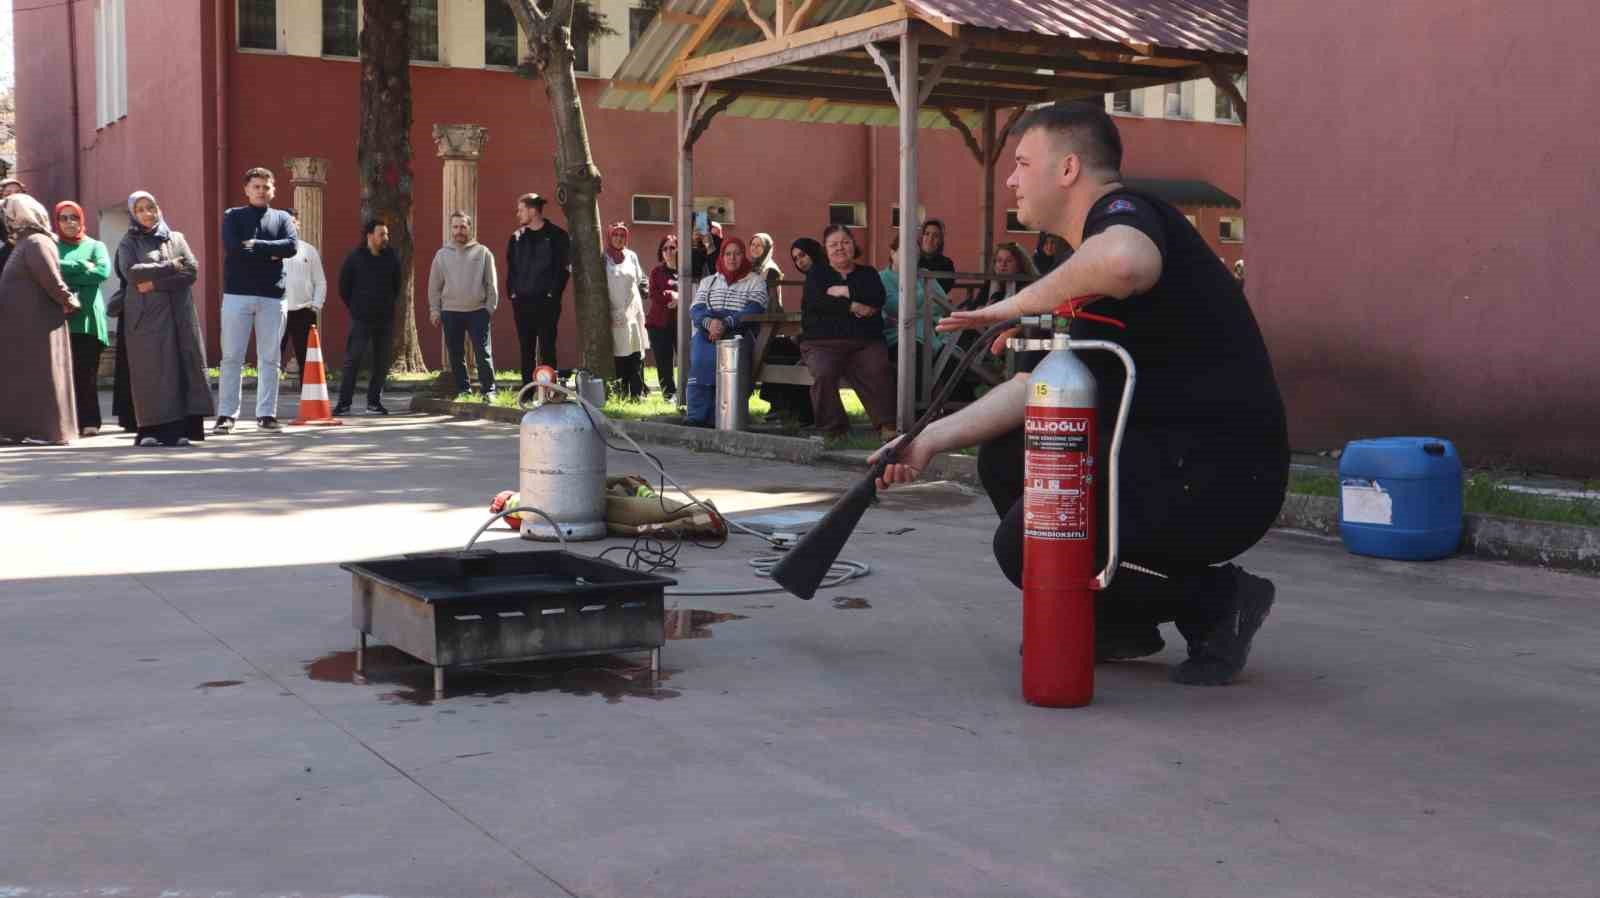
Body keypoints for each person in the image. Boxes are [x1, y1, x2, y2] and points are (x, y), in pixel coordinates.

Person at [875, 101, 1289, 686]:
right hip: (1168, 458)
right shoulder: (1084, 263)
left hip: (1223, 472)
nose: (1012, 179)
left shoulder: (1127, 214)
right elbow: (1033, 388)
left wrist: (1013, 304)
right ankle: (1117, 619)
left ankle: (1217, 600)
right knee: (1008, 454)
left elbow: (1124, 261)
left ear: (1068, 169)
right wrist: (925, 441)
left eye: (1021, 163)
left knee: (1027, 542)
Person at [110, 191, 214, 447]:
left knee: (181, 368)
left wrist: (155, 284)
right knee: (153, 372)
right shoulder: (129, 242)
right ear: (134, 214)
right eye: (141, 209)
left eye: (152, 207)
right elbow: (132, 273)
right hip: (146, 318)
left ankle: (181, 431)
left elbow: (191, 271)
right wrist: (171, 267)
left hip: (179, 313)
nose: (148, 213)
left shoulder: (176, 238)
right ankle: (151, 431)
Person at [797, 225, 897, 443]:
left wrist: (845, 292)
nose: (840, 248)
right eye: (833, 244)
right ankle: (834, 429)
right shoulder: (817, 274)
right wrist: (855, 307)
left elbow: (878, 297)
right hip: (822, 342)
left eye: (845, 242)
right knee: (824, 372)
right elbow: (818, 302)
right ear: (826, 249)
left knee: (878, 368)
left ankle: (887, 425)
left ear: (853, 245)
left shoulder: (868, 273)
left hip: (865, 341)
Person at [217, 166, 298, 434]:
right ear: (246, 189)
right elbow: (232, 247)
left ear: (273, 189)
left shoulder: (283, 218)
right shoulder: (233, 216)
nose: (261, 191)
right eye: (256, 186)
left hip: (273, 296)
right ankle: (227, 414)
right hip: (237, 294)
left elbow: (291, 247)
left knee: (270, 358)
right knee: (232, 357)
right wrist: (271, 252)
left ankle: (266, 414)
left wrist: (256, 245)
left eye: (266, 187)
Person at [0, 194, 81, 445]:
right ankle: (22, 429)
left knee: (42, 375)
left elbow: (51, 279)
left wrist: (69, 300)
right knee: (25, 377)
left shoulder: (36, 242)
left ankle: (46, 431)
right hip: (24, 326)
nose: (8, 220)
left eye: (11, 214)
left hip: (37, 326)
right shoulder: (27, 242)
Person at [685, 236, 767, 426]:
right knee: (701, 360)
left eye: (737, 254)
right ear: (721, 256)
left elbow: (754, 309)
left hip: (739, 332)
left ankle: (720, 417)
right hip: (708, 332)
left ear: (743, 255)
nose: (732, 258)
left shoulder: (756, 281)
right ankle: (697, 417)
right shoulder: (709, 281)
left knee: (728, 361)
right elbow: (695, 309)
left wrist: (726, 323)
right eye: (728, 254)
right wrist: (710, 324)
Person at [55, 201, 113, 437]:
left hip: (88, 318)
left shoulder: (95, 245)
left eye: (74, 217)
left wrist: (66, 272)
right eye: (64, 218)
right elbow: (49, 268)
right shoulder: (51, 245)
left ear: (82, 219)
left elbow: (102, 273)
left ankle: (90, 422)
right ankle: (64, 422)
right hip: (59, 319)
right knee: (59, 374)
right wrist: (81, 265)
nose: (70, 222)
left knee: (86, 373)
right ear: (57, 221)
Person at [428, 211, 500, 398]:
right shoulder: (442, 255)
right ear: (451, 229)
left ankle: (489, 390)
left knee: (483, 353)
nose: (459, 230)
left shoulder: (483, 252)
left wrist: (489, 308)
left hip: (478, 311)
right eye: (455, 227)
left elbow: (491, 284)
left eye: (462, 226)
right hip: (450, 312)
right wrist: (435, 311)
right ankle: (463, 390)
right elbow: (434, 287)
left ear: (470, 227)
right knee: (456, 355)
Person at [335, 220, 402, 416]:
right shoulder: (355, 258)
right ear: (370, 236)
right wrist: (356, 307)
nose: (385, 238)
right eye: (381, 234)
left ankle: (374, 402)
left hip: (385, 319)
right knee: (353, 360)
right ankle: (344, 403)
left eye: (386, 234)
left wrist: (387, 304)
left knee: (381, 363)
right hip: (361, 319)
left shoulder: (391, 257)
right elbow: (343, 287)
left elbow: (396, 285)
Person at [506, 193, 570, 384]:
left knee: (547, 348)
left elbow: (563, 269)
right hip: (522, 302)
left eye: (521, 210)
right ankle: (528, 391)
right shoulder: (516, 238)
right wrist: (513, 294)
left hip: (547, 303)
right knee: (526, 349)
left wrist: (553, 294)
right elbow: (512, 269)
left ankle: (550, 390)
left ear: (533, 211)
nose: (518, 214)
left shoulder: (558, 236)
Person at [880, 230, 948, 396]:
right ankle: (917, 415)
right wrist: (925, 293)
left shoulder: (923, 277)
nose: (912, 259)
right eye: (906, 253)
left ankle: (948, 414)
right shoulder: (881, 278)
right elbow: (896, 306)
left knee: (954, 360)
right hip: (896, 338)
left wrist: (916, 307)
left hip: (930, 335)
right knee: (915, 358)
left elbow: (943, 304)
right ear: (892, 252)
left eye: (916, 255)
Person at [279, 207, 327, 387]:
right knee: (272, 357)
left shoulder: (309, 250)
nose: (290, 226)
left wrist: (315, 306)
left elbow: (320, 281)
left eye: (293, 222)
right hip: (278, 311)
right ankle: (267, 404)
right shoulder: (272, 250)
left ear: (298, 224)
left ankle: (309, 398)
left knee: (306, 358)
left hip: (304, 312)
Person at [603, 222, 649, 401]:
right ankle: (621, 392)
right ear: (609, 236)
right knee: (619, 353)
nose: (619, 238)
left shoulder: (632, 256)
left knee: (635, 352)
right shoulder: (603, 258)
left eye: (622, 235)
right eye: (616, 235)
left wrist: (645, 287)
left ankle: (637, 393)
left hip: (633, 311)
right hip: (613, 312)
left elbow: (641, 277)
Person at [645, 234, 681, 402]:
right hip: (659, 324)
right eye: (665, 248)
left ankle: (686, 392)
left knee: (685, 358)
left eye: (672, 247)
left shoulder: (686, 271)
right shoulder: (657, 272)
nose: (668, 251)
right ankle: (669, 395)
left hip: (682, 324)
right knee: (664, 361)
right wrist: (671, 297)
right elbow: (654, 294)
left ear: (679, 249)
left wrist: (678, 297)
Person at [969, 241, 1040, 309]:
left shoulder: (1025, 285)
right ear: (994, 264)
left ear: (1019, 265)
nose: (1003, 265)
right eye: (999, 260)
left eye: (1009, 261)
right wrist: (981, 309)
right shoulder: (991, 282)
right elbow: (974, 307)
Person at [918, 219, 957, 294]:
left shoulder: (947, 264)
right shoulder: (911, 261)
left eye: (935, 236)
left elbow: (941, 292)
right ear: (921, 237)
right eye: (927, 233)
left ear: (940, 241)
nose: (930, 239)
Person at [0, 178, 29, 273]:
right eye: (8, 194)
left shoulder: (31, 220)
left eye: (18, 193)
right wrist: (12, 242)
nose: (14, 197)